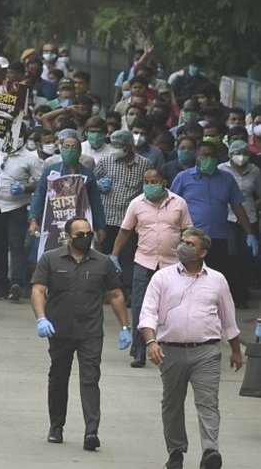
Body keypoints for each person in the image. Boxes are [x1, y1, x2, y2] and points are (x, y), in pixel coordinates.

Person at [138, 227, 242, 469]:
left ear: (203, 252)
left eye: (190, 244)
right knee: (172, 403)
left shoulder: (217, 280)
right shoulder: (162, 278)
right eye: (182, 242)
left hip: (206, 351)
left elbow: (229, 319)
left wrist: (236, 350)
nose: (183, 246)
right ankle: (176, 452)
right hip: (170, 350)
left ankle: (210, 451)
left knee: (208, 402)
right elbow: (147, 313)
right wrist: (151, 341)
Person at [30, 216, 131, 450]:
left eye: (89, 234)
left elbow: (115, 295)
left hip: (90, 331)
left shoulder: (103, 263)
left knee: (90, 380)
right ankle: (56, 426)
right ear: (68, 236)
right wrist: (41, 318)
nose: (86, 238)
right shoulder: (51, 259)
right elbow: (38, 290)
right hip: (60, 331)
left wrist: (126, 327)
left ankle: (91, 432)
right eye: (80, 235)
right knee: (58, 378)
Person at [110, 168, 192, 368]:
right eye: (146, 181)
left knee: (171, 307)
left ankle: (168, 350)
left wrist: (192, 256)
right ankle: (139, 351)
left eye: (153, 181)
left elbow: (188, 231)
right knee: (140, 306)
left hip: (172, 263)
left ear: (163, 182)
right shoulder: (136, 203)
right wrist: (114, 255)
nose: (149, 184)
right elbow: (125, 231)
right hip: (144, 262)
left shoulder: (178, 203)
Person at [171, 141, 259, 307]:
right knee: (188, 273)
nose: (209, 159)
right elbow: (172, 205)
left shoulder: (226, 179)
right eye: (205, 156)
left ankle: (210, 307)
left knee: (214, 275)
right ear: (197, 157)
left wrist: (249, 233)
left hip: (217, 236)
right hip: (190, 237)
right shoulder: (183, 178)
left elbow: (238, 207)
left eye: (212, 156)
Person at [0, 132, 43, 300]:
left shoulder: (30, 158)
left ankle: (16, 282)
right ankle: (1, 284)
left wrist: (24, 187)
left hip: (17, 206)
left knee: (16, 244)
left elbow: (40, 181)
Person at [94, 130, 155, 295]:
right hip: (107, 216)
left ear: (128, 147)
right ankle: (103, 290)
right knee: (104, 256)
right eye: (113, 145)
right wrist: (99, 184)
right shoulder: (105, 161)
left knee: (128, 257)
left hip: (130, 220)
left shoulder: (145, 164)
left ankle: (126, 291)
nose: (115, 149)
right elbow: (92, 183)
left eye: (118, 146)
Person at [29, 134, 107, 245]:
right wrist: (33, 220)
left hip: (79, 224)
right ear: (61, 149)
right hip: (53, 224)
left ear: (80, 152)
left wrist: (100, 226)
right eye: (66, 147)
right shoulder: (51, 171)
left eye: (74, 147)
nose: (70, 150)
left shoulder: (87, 174)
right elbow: (39, 195)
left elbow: (95, 202)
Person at [217, 139, 261, 309]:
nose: (241, 157)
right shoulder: (222, 169)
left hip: (249, 218)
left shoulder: (255, 171)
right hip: (227, 217)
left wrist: (251, 205)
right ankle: (230, 292)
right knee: (231, 253)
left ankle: (241, 293)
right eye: (237, 153)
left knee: (246, 256)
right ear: (230, 154)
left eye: (245, 153)